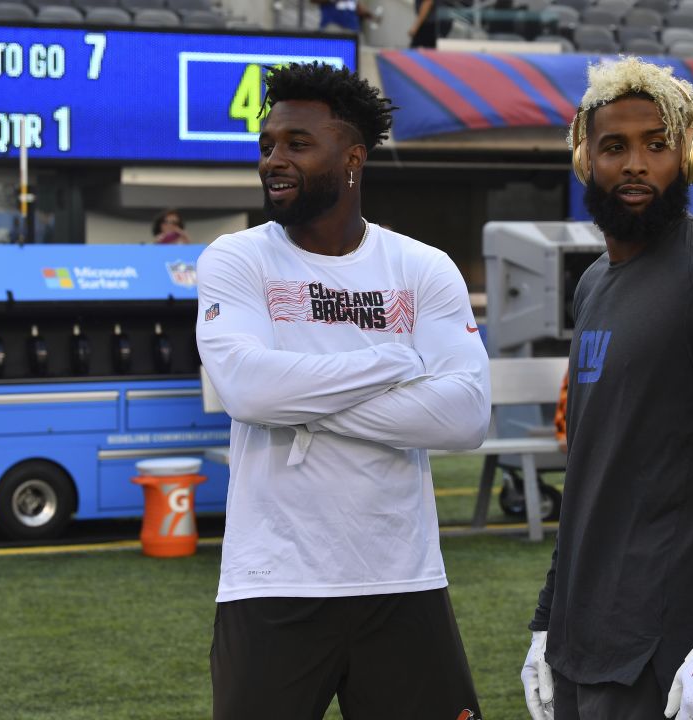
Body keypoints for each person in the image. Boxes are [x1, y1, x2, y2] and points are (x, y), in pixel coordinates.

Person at [196, 62, 489, 719]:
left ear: (353, 157)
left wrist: (302, 398)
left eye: (298, 144)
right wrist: (393, 358)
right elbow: (249, 391)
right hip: (271, 585)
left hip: (402, 581)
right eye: (267, 144)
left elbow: (465, 416)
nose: (275, 159)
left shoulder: (420, 267)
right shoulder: (236, 258)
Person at [521, 57, 693, 720]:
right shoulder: (593, 285)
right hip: (582, 645)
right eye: (615, 146)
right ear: (585, 157)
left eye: (658, 144)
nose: (637, 165)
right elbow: (593, 471)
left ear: (690, 153)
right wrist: (546, 621)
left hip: (676, 657)